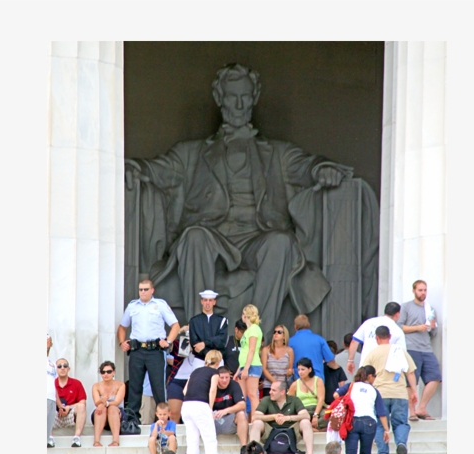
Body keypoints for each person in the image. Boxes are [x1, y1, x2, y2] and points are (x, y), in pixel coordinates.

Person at [125, 63, 373, 340]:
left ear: (254, 98)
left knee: (281, 242)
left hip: (257, 238)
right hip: (211, 237)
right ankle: (202, 337)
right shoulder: (190, 154)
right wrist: (136, 169)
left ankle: (258, 338)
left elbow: (306, 166)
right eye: (232, 96)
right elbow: (158, 170)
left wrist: (321, 169)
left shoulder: (277, 153)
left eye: (245, 96)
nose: (239, 104)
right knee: (193, 237)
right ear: (219, 98)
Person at [117, 277, 180, 423]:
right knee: (134, 386)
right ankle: (132, 420)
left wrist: (168, 341)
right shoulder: (133, 306)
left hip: (155, 351)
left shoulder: (160, 305)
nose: (143, 292)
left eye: (146, 289)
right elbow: (122, 327)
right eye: (140, 289)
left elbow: (175, 326)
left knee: (158, 387)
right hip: (137, 350)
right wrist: (122, 342)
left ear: (152, 290)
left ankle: (163, 420)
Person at [364, 325, 419, 454]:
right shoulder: (399, 351)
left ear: (376, 338)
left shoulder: (372, 353)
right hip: (399, 393)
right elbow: (410, 372)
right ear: (389, 337)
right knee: (400, 422)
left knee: (380, 424)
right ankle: (401, 444)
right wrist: (414, 391)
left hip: (379, 394)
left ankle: (383, 453)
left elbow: (364, 375)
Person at [334, 366, 390, 454]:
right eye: (374, 376)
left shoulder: (351, 386)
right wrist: (386, 430)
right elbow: (381, 413)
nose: (375, 379)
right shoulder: (374, 391)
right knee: (365, 453)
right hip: (369, 422)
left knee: (350, 453)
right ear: (369, 376)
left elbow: (336, 395)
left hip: (352, 421)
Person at [399, 279, 442, 421]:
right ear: (414, 291)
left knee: (435, 376)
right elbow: (399, 327)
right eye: (420, 290)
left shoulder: (429, 309)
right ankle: (411, 411)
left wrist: (433, 327)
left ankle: (421, 407)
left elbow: (433, 333)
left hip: (426, 348)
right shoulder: (406, 307)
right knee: (411, 381)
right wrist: (418, 327)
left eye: (425, 290)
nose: (423, 293)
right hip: (411, 347)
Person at [249, 381, 316, 454]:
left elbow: (306, 415)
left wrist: (288, 418)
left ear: (282, 392)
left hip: (291, 431)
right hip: (270, 431)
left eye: (273, 390)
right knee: (257, 423)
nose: (270, 392)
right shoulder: (266, 400)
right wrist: (273, 416)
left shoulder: (294, 400)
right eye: (270, 389)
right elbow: (254, 417)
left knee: (305, 422)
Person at [181, 349, 222, 454]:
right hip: (201, 405)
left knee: (192, 438)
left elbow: (184, 391)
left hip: (186, 405)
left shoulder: (195, 371)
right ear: (218, 362)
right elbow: (212, 390)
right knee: (209, 438)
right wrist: (210, 408)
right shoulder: (214, 373)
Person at [346, 302, 406, 376]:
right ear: (397, 314)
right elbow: (402, 354)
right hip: (383, 370)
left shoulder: (369, 322)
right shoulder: (398, 331)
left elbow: (354, 341)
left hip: (365, 367)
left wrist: (350, 360)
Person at [288, 314, 339, 380]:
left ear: (295, 327)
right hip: (317, 379)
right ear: (309, 325)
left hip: (298, 380)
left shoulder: (290, 342)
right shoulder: (319, 340)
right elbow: (331, 360)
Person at [235, 304, 263, 421]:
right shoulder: (249, 330)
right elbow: (245, 352)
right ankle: (243, 421)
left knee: (252, 394)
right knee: (242, 396)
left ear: (245, 315)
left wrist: (246, 368)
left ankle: (256, 420)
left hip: (252, 365)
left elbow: (252, 350)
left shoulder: (254, 329)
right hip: (245, 365)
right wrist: (239, 370)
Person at [52, 358, 87, 448]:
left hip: (70, 415)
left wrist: (69, 407)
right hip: (54, 415)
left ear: (68, 368)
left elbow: (82, 401)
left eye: (65, 366)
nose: (62, 368)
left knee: (81, 406)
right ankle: (49, 438)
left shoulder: (76, 383)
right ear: (55, 369)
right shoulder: (51, 383)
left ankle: (76, 438)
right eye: (59, 366)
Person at [91, 361, 125, 447]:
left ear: (114, 372)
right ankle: (96, 441)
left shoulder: (120, 385)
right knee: (101, 408)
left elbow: (116, 402)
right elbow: (96, 402)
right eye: (103, 372)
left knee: (112, 408)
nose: (106, 374)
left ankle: (115, 440)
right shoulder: (96, 386)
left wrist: (104, 403)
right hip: (101, 414)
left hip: (116, 414)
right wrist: (101, 404)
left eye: (109, 371)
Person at [288, 357, 327, 431]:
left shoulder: (318, 380)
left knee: (328, 415)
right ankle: (313, 428)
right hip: (302, 410)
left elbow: (321, 399)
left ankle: (311, 428)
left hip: (317, 408)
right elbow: (290, 401)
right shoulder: (295, 384)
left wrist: (315, 415)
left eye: (303, 369)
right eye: (298, 370)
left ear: (310, 369)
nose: (300, 372)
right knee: (296, 420)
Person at [189, 289, 229, 362]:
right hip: (199, 360)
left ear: (214, 302)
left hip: (217, 360)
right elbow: (195, 343)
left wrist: (204, 344)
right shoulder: (194, 321)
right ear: (201, 301)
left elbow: (221, 341)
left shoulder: (222, 320)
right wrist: (208, 354)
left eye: (210, 300)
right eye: (205, 300)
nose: (207, 303)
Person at [213, 366, 249, 445]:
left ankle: (244, 446)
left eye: (227, 377)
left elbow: (242, 405)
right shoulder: (211, 385)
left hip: (229, 420)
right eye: (222, 378)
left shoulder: (234, 384)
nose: (225, 380)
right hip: (213, 421)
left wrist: (226, 411)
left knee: (241, 414)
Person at [260, 323, 294, 397]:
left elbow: (290, 369)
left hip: (284, 386)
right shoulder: (266, 350)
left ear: (284, 336)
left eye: (279, 332)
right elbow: (264, 369)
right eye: (274, 332)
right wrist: (275, 382)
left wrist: (290, 372)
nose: (276, 333)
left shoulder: (289, 351)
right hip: (269, 385)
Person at [166, 324, 191, 424]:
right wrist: (179, 331)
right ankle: (172, 433)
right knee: (174, 414)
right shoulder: (179, 343)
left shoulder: (204, 344)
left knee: (191, 415)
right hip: (177, 379)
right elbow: (167, 345)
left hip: (195, 381)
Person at [47, 333, 57, 449]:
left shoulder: (53, 363)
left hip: (52, 400)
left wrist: (58, 403)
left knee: (47, 433)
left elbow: (54, 383)